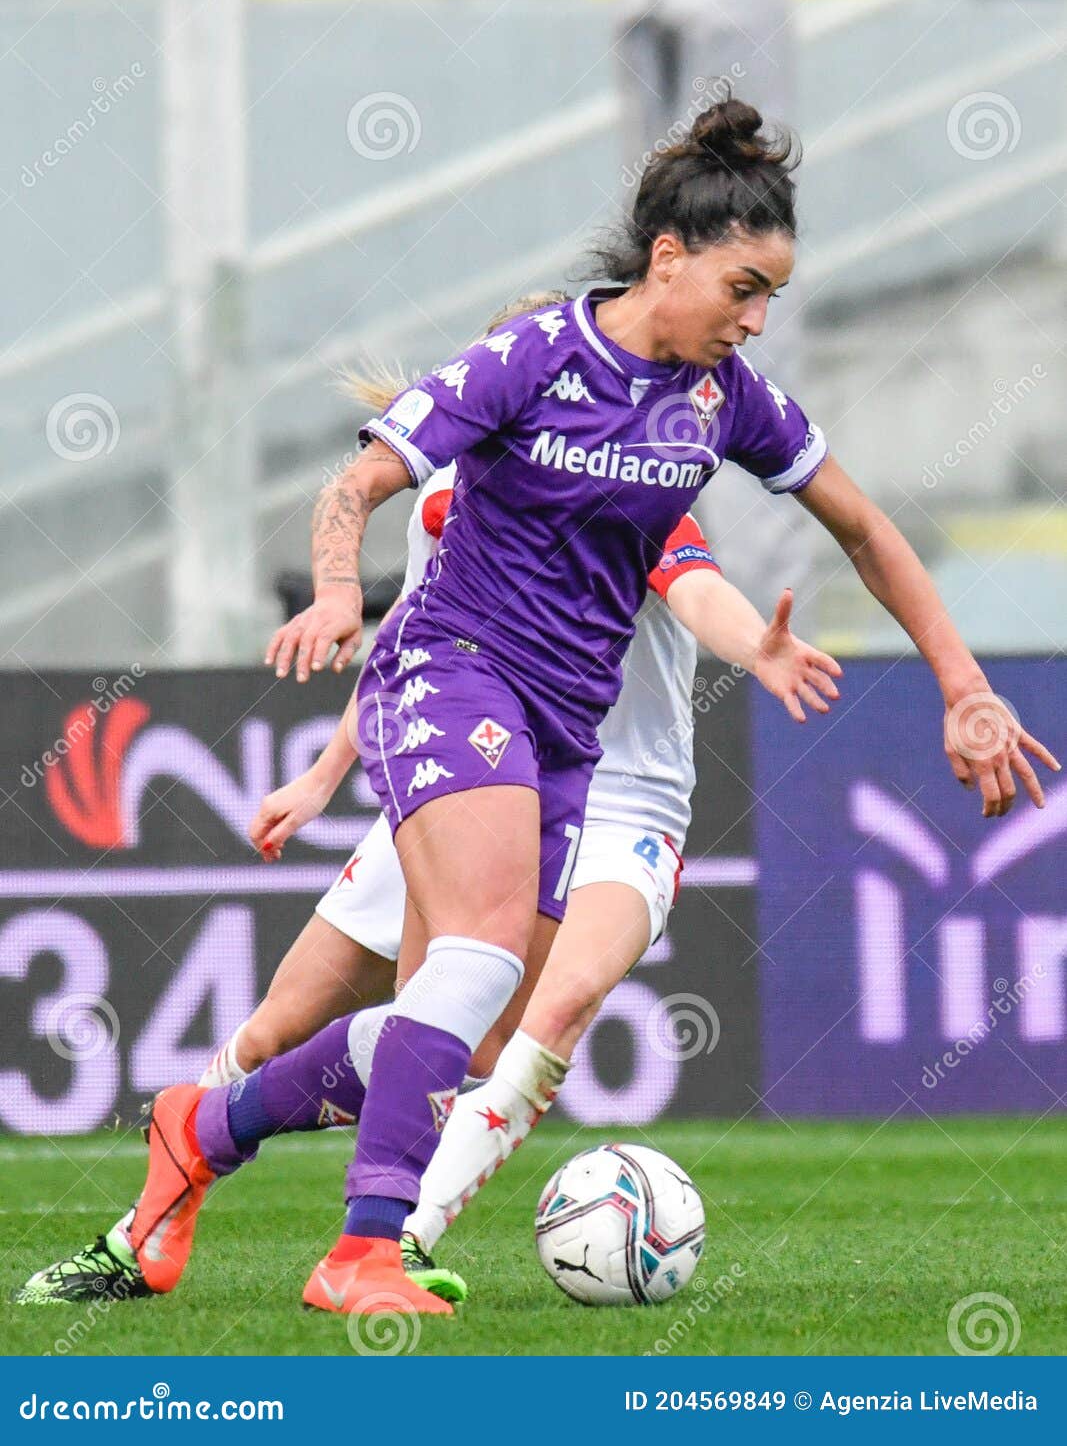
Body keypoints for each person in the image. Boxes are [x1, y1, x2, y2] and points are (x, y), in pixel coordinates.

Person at [28, 98, 1056, 1323]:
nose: (755, 319)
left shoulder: (716, 403)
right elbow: (356, 482)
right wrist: (339, 599)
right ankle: (363, 1250)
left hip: (557, 739)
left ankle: (203, 1127)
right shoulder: (529, 363)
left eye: (770, 296)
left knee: (448, 1031)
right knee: (456, 963)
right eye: (742, 287)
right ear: (666, 258)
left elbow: (860, 528)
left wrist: (960, 685)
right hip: (456, 684)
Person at [15, 443, 841, 1308]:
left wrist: (759, 647)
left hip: (622, 801)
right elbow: (412, 635)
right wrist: (322, 776)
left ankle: (397, 1238)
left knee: (515, 1019)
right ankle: (145, 1219)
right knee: (278, 1029)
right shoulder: (450, 497)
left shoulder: (635, 492)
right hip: (462, 776)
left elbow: (696, 589)